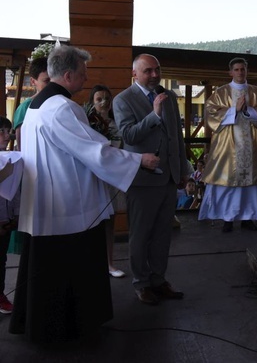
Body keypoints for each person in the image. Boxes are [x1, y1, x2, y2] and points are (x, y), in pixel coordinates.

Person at [10, 45, 157, 343]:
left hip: (45, 201)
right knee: (69, 268)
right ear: (67, 75)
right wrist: (138, 160)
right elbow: (93, 151)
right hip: (67, 206)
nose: (86, 80)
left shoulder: (36, 105)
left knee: (44, 267)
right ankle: (69, 327)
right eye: (82, 74)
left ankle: (39, 324)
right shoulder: (63, 108)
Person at [113, 54, 191, 306]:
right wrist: (154, 115)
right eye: (148, 71)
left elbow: (176, 137)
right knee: (141, 234)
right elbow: (128, 136)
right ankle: (141, 283)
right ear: (134, 73)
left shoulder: (167, 95)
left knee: (162, 234)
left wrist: (183, 169)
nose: (155, 75)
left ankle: (159, 279)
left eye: (157, 70)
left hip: (168, 177)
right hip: (142, 180)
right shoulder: (123, 99)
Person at [198, 57, 257, 233]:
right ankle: (228, 218)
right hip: (228, 146)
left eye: (243, 69)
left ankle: (248, 217)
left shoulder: (256, 92)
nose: (240, 72)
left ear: (247, 71)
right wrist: (233, 110)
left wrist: (248, 111)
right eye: (236, 69)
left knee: (252, 185)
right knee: (228, 183)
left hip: (253, 145)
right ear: (230, 72)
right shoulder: (221, 92)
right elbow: (210, 112)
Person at [86, 84, 126, 279]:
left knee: (109, 222)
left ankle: (110, 263)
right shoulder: (87, 124)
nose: (103, 102)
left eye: (107, 98)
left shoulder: (116, 124)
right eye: (99, 99)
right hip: (93, 178)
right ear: (92, 103)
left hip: (111, 178)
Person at [0, 116, 22, 315]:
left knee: (2, 260)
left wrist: (15, 215)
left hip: (6, 220)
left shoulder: (12, 158)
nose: (8, 136)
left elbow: (14, 192)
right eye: (3, 132)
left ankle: (0, 295)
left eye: (9, 131)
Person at [12, 57, 50, 150]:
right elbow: (21, 142)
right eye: (46, 81)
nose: (51, 85)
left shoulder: (61, 103)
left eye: (53, 81)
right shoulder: (25, 107)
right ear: (33, 81)